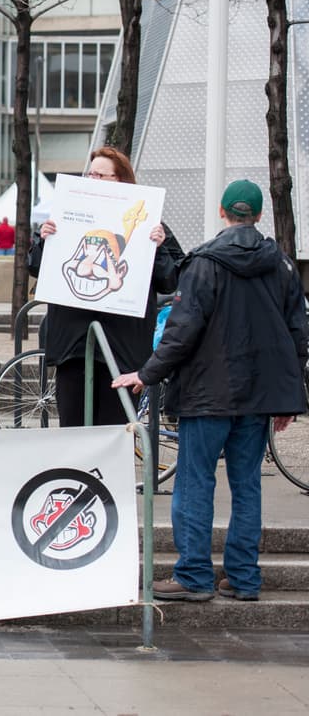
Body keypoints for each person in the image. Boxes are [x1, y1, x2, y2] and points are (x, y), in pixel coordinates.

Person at [112, 180, 308, 602]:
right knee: (247, 484)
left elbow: (181, 332)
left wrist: (147, 373)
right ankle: (243, 577)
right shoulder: (283, 266)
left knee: (195, 483)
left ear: (222, 212)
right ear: (258, 215)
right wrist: (289, 397)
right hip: (258, 398)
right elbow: (298, 337)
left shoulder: (203, 263)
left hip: (207, 394)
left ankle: (195, 576)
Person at [26, 147, 184, 426]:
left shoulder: (148, 224)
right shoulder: (65, 217)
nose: (92, 178)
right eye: (90, 173)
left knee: (113, 432)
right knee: (73, 432)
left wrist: (157, 248)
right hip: (73, 345)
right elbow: (37, 268)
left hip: (122, 348)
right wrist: (43, 241)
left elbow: (170, 279)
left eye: (100, 174)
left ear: (121, 180)